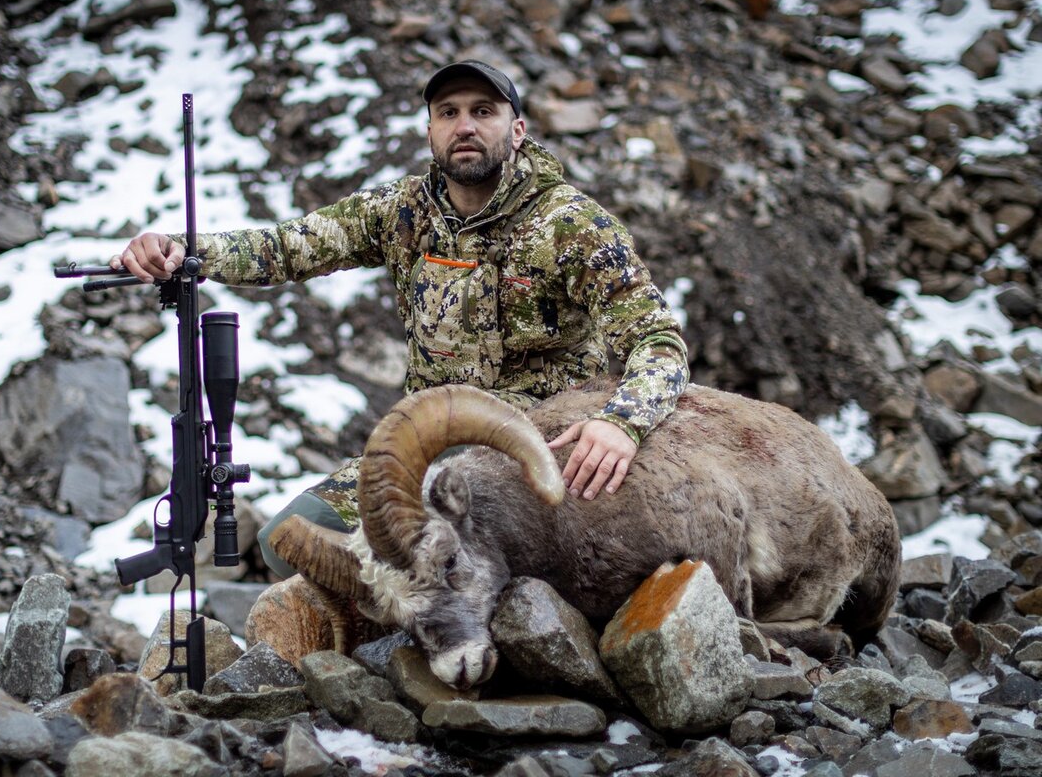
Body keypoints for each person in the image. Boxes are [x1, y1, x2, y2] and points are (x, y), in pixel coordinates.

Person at [113, 60, 689, 579]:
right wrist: (183, 251)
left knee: (464, 569)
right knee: (288, 546)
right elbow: (289, 246)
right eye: (449, 113)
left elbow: (659, 342)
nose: (465, 125)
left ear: (516, 130)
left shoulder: (573, 226)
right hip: (423, 449)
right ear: (431, 131)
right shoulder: (402, 211)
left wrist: (623, 422)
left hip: (531, 452)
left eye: (483, 112)